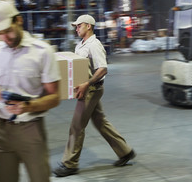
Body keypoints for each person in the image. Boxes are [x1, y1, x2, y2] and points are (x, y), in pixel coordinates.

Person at [0, 1, 61, 182]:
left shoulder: (43, 52)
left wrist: (28, 106)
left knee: (40, 178)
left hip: (30, 129)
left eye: (8, 30)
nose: (5, 37)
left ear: (19, 20)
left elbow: (54, 97)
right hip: (1, 129)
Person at [53, 14, 136, 177]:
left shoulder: (94, 45)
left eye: (79, 25)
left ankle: (70, 164)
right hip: (86, 89)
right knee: (101, 123)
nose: (76, 28)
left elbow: (103, 68)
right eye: (75, 26)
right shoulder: (81, 45)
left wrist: (87, 84)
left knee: (76, 126)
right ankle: (125, 152)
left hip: (91, 90)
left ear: (88, 26)